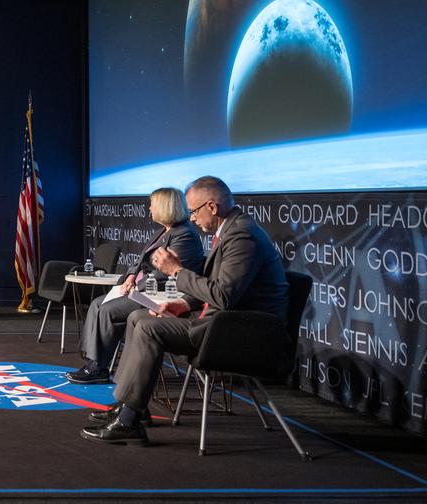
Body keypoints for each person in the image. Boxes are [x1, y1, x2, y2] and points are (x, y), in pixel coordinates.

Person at [82, 176, 289, 444]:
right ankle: (132, 408)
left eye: (194, 211)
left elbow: (222, 296)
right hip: (222, 323)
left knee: (147, 327)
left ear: (212, 207)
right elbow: (217, 288)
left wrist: (176, 271)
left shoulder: (242, 235)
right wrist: (181, 303)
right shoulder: (231, 231)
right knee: (137, 317)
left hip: (239, 333)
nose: (191, 218)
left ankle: (129, 420)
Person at [65, 187, 205, 384]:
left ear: (165, 207)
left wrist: (137, 285)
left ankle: (99, 368)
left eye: (153, 205)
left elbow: (166, 273)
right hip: (144, 288)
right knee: (97, 303)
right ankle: (93, 361)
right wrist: (131, 275)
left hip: (161, 295)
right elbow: (140, 262)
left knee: (107, 310)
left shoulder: (184, 235)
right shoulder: (162, 232)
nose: (149, 209)